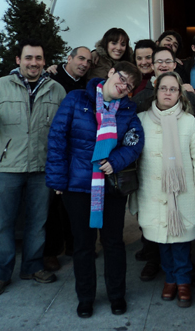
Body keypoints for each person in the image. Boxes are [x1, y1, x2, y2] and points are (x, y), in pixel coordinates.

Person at [46, 62, 144, 318]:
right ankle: (86, 297)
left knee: (113, 242)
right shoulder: (77, 99)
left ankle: (116, 296)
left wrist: (115, 161)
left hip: (110, 188)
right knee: (84, 245)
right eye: (122, 79)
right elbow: (57, 137)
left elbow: (134, 144)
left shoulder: (128, 112)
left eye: (130, 86)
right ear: (111, 73)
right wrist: (57, 180)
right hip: (77, 186)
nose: (124, 87)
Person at [0, 39, 66, 297]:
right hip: (6, 167)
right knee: (3, 224)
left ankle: (32, 267)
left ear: (45, 61)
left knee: (38, 222)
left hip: (42, 167)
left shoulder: (56, 90)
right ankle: (0, 274)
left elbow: (63, 129)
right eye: (28, 58)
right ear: (18, 60)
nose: (33, 62)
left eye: (38, 58)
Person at [135, 72, 195, 308]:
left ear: (180, 94)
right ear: (155, 92)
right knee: (161, 239)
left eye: (173, 89)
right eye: (163, 88)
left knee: (180, 240)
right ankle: (169, 278)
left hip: (183, 194)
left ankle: (183, 281)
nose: (168, 93)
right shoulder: (140, 120)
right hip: (153, 192)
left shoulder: (189, 121)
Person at [44, 46, 93, 270]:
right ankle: (51, 251)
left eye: (88, 61)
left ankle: (75, 245)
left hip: (78, 154)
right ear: (69, 58)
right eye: (80, 58)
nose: (84, 63)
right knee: (53, 204)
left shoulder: (87, 85)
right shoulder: (52, 77)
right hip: (57, 149)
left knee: (73, 205)